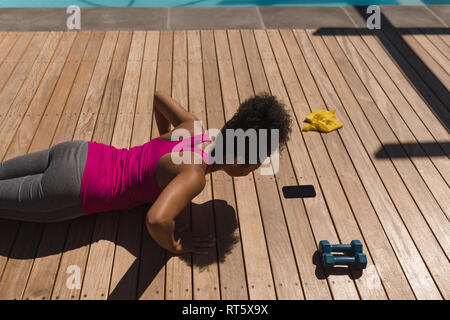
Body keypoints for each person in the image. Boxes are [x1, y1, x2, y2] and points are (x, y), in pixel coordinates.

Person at [0, 91, 292, 254]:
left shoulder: (194, 127)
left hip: (78, 151)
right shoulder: (194, 175)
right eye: (256, 165)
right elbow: (156, 219)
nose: (254, 171)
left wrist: (159, 145)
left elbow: (159, 97)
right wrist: (177, 244)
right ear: (240, 161)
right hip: (75, 189)